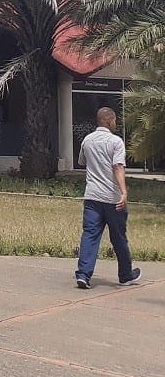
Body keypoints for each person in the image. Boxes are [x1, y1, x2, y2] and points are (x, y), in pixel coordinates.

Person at [74, 107, 141, 289]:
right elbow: (118, 166)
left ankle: (83, 275)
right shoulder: (116, 142)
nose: (115, 123)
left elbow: (82, 162)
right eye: (115, 121)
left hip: (92, 197)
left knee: (90, 234)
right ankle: (125, 275)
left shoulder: (87, 140)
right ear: (110, 121)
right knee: (118, 237)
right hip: (112, 199)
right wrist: (124, 192)